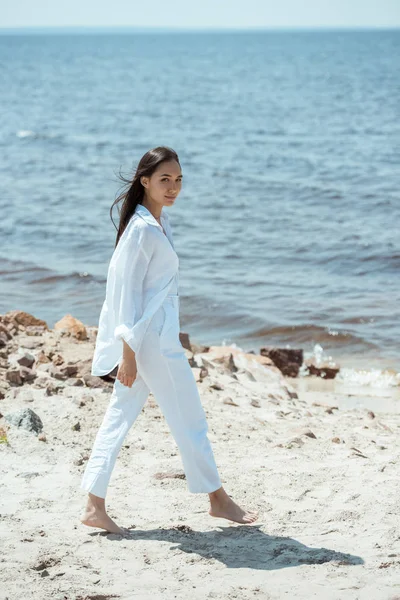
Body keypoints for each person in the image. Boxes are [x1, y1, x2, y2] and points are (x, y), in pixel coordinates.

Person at [80, 146, 259, 534]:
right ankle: (218, 499)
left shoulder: (157, 222)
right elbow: (125, 295)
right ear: (144, 181)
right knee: (189, 417)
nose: (173, 187)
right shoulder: (142, 230)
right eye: (165, 179)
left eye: (178, 180)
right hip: (150, 343)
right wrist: (127, 355)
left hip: (155, 337)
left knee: (119, 416)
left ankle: (94, 504)